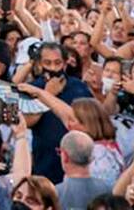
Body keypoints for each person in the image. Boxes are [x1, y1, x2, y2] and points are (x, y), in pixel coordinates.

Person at [23, 43, 95, 184]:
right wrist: (47, 94)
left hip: (77, 159)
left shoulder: (78, 87)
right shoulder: (31, 89)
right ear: (39, 64)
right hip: (45, 160)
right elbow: (26, 121)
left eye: (57, 63)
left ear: (65, 63)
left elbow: (90, 121)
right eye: (47, 63)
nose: (53, 68)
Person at [55, 131, 112, 210]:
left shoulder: (55, 194)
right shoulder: (107, 190)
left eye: (59, 152)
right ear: (91, 157)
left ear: (65, 156)